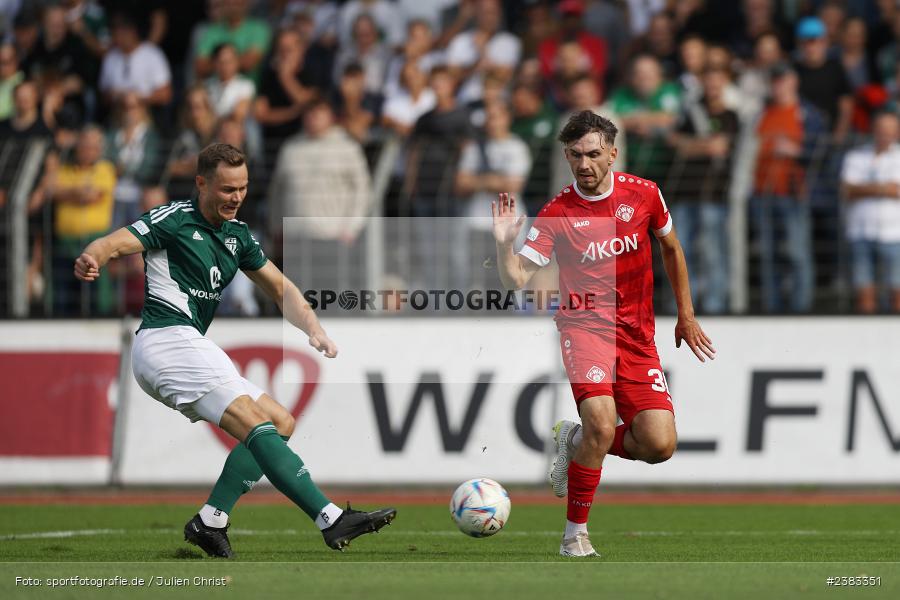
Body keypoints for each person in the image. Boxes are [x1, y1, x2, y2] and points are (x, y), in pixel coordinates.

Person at [73, 143, 395, 557]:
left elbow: (281, 288)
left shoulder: (238, 235)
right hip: (165, 340)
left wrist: (313, 329)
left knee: (279, 422)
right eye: (227, 189)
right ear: (201, 183)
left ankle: (211, 521)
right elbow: (113, 243)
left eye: (242, 188)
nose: (236, 197)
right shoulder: (173, 219)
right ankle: (330, 518)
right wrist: (91, 256)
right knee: (253, 421)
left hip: (187, 344)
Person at [491, 111, 714, 557]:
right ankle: (574, 536)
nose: (584, 164)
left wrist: (685, 315)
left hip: (637, 336)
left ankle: (572, 440)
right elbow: (516, 278)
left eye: (593, 154)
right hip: (584, 328)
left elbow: (671, 247)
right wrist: (503, 242)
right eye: (575, 155)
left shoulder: (645, 194)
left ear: (612, 153)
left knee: (659, 444)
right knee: (600, 420)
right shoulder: (558, 213)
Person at [840, 110, 900, 313]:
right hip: (860, 230)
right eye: (881, 129)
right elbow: (847, 190)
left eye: (890, 130)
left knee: (897, 289)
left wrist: (865, 188)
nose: (885, 134)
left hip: (894, 233)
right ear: (873, 130)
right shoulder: (856, 156)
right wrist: (884, 188)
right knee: (864, 292)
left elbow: (897, 191)